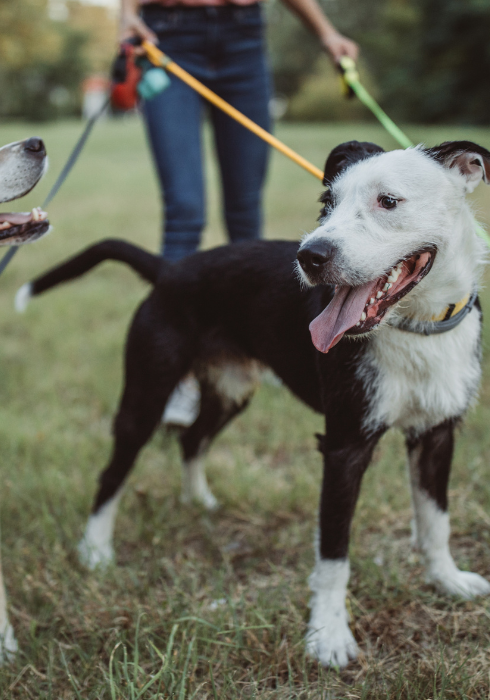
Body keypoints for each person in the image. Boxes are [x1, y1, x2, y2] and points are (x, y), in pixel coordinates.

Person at [119, 0, 358, 425]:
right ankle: (176, 373)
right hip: (168, 36)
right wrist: (126, 12)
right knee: (185, 212)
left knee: (246, 213)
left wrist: (325, 32)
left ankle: (260, 349)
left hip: (243, 36)